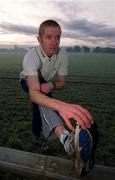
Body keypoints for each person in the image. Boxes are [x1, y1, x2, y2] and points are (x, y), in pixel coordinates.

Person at [20, 19, 95, 176]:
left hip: (47, 84)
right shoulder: (31, 56)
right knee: (43, 101)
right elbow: (34, 92)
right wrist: (61, 106)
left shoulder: (62, 54)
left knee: (40, 109)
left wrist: (52, 85)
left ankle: (37, 137)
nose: (54, 42)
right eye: (49, 37)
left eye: (58, 37)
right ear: (39, 39)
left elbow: (61, 83)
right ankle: (66, 139)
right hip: (29, 81)